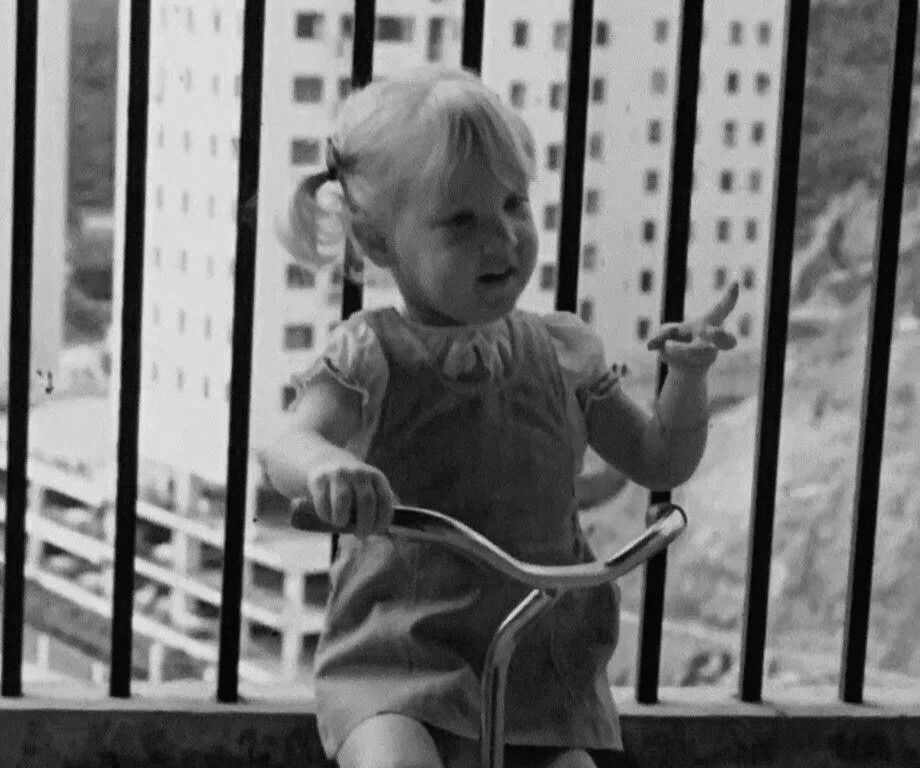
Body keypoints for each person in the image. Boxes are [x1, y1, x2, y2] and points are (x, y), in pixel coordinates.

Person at [258, 64, 739, 768]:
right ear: (381, 245)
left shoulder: (562, 351)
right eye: (462, 221)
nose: (504, 237)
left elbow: (661, 458)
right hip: (400, 659)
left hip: (538, 668)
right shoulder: (373, 353)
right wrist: (328, 466)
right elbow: (287, 443)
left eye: (514, 205)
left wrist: (687, 380)